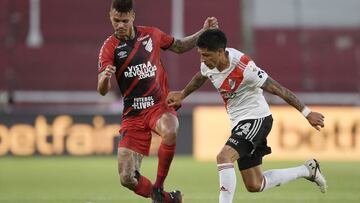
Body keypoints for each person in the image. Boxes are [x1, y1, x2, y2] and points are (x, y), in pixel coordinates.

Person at [167, 29, 327, 203]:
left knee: (223, 157)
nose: (203, 60)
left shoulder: (244, 67)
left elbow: (278, 89)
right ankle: (307, 170)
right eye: (200, 55)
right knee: (255, 184)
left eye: (206, 55)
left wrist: (307, 112)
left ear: (221, 52)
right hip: (239, 123)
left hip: (257, 118)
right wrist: (182, 94)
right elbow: (201, 76)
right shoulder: (207, 65)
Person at [97, 0, 218, 202]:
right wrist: (105, 78)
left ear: (132, 17)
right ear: (110, 16)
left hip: (158, 105)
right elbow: (102, 90)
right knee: (126, 178)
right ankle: (165, 199)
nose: (119, 25)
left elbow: (179, 46)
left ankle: (158, 187)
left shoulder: (151, 34)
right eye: (116, 20)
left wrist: (203, 32)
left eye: (124, 21)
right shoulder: (109, 47)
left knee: (170, 130)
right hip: (133, 115)